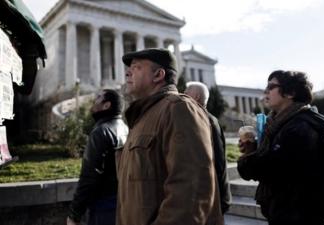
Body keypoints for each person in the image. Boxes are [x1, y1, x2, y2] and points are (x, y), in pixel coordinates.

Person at [116, 48, 223, 225]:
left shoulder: (179, 109)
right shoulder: (142, 118)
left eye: (136, 67)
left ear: (158, 75)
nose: (127, 72)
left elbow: (191, 191)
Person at [237, 70, 324, 225]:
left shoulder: (298, 127)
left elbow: (268, 169)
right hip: (284, 210)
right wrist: (253, 147)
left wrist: (248, 156)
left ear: (290, 93)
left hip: (298, 214)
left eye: (271, 87)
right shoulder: (279, 124)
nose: (266, 91)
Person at [67, 89, 129, 225]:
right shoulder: (125, 129)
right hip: (123, 203)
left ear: (106, 105)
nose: (94, 101)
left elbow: (89, 176)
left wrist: (74, 214)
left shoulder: (101, 132)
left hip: (103, 208)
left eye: (98, 98)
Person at [185, 81, 232, 214]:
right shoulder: (206, 119)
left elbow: (217, 160)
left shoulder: (205, 121)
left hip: (211, 197)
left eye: (187, 91)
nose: (183, 94)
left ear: (197, 97)